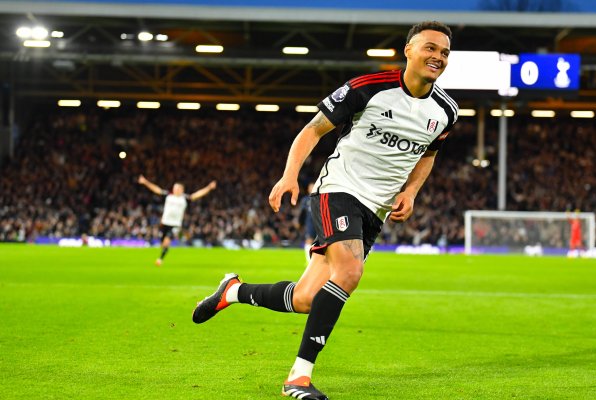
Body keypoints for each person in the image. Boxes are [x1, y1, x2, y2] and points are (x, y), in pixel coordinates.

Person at [192, 21, 457, 399]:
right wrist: (289, 175)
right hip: (339, 190)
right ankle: (298, 377)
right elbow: (313, 129)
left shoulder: (446, 110)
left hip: (377, 211)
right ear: (409, 50)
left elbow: (429, 154)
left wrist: (412, 191)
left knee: (305, 298)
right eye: (430, 48)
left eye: (444, 52)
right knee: (349, 272)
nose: (438, 57)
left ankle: (232, 291)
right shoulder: (368, 87)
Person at [138, 174, 217, 265]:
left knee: (167, 241)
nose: (176, 190)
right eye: (175, 188)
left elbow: (197, 195)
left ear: (182, 190)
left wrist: (209, 188)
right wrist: (145, 182)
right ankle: (163, 251)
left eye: (178, 188)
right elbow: (156, 189)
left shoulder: (184, 198)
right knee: (163, 243)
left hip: (175, 225)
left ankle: (160, 259)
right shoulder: (168, 196)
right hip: (164, 223)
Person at [297, 182, 317, 263]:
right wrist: (300, 223)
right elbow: (302, 213)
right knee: (309, 240)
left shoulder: (320, 198)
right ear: (308, 189)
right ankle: (309, 261)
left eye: (313, 187)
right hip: (309, 223)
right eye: (310, 187)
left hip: (320, 223)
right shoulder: (305, 200)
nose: (312, 189)